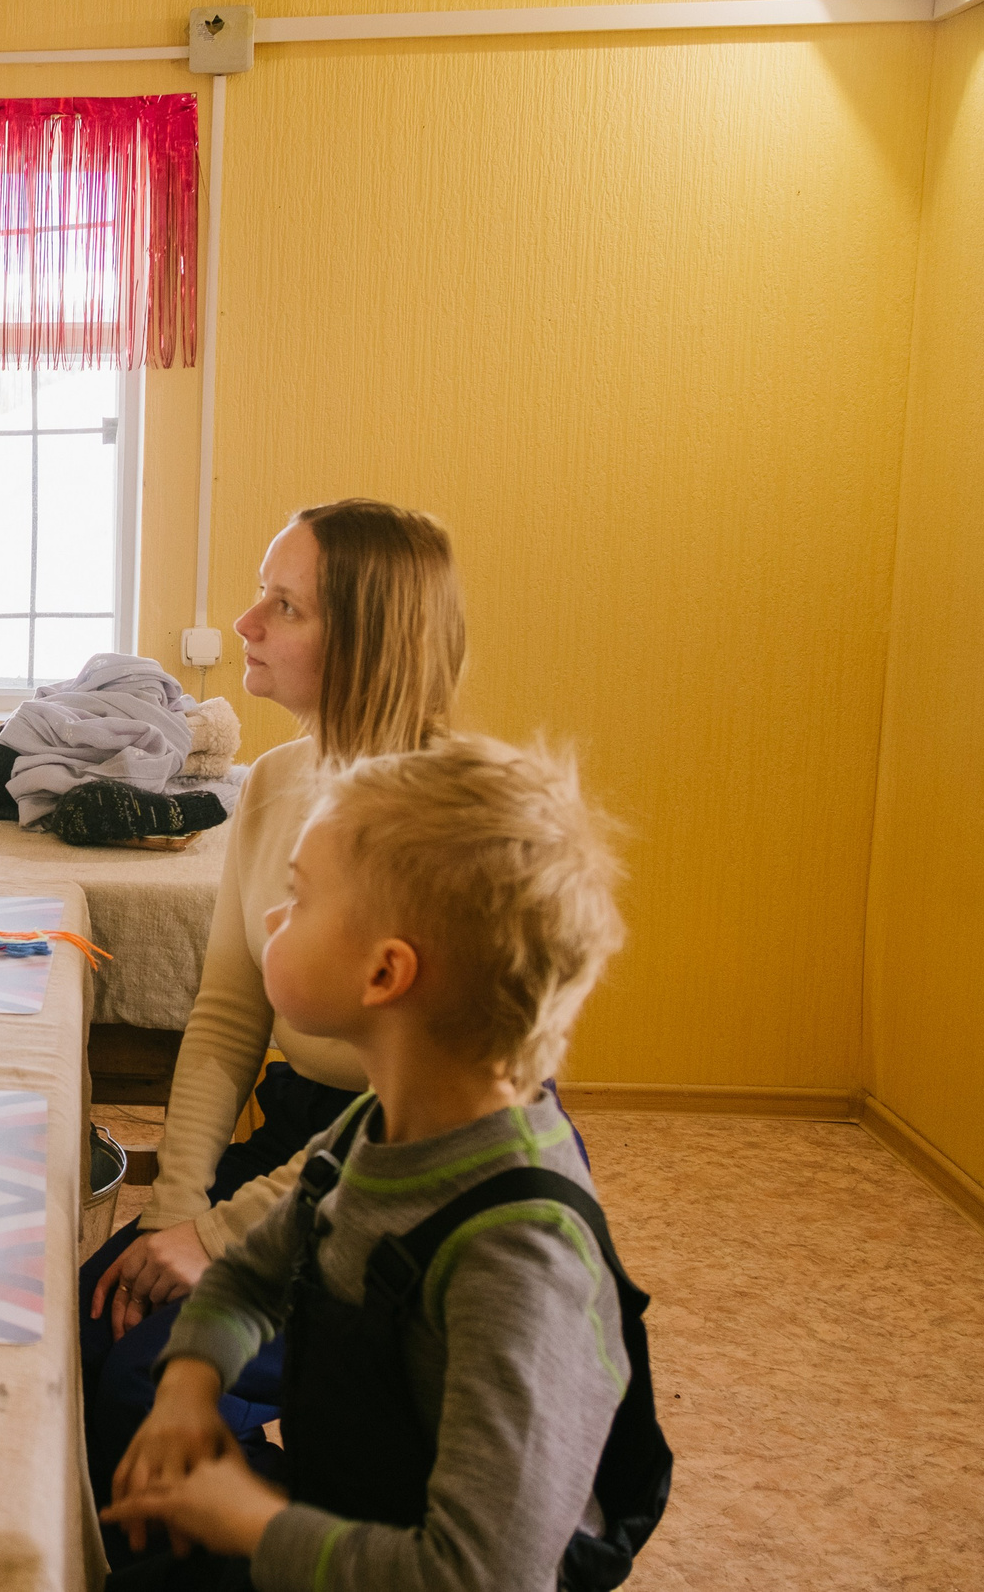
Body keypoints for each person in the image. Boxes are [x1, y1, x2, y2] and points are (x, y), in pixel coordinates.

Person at [101, 734, 664, 1591]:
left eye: (297, 898)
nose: (272, 919)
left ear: (385, 973)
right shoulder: (374, 1130)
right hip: (350, 1531)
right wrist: (188, 1383)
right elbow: (246, 1278)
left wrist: (252, 1521)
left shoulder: (517, 1260)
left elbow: (479, 1574)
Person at [82, 500, 467, 1502]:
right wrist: (174, 1211)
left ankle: (322, 1544)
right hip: (304, 1137)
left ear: (366, 640)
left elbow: (406, 1121)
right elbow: (224, 1015)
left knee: (139, 1380)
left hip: (406, 1181)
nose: (245, 623)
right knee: (89, 1318)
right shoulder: (277, 780)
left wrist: (216, 1239)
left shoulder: (441, 823)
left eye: (283, 606)